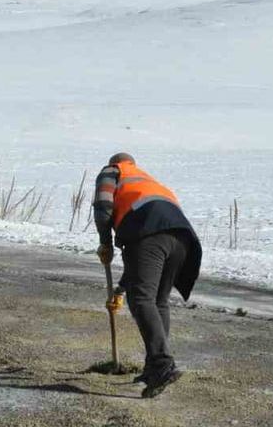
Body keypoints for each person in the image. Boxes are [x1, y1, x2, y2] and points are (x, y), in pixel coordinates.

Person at [92, 152, 201, 399]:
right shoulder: (146, 179)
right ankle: (155, 366)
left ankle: (161, 363)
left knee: (142, 300)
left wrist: (105, 242)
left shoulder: (112, 171)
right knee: (158, 301)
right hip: (182, 237)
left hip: (148, 232)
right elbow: (141, 268)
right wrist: (120, 290)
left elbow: (103, 207)